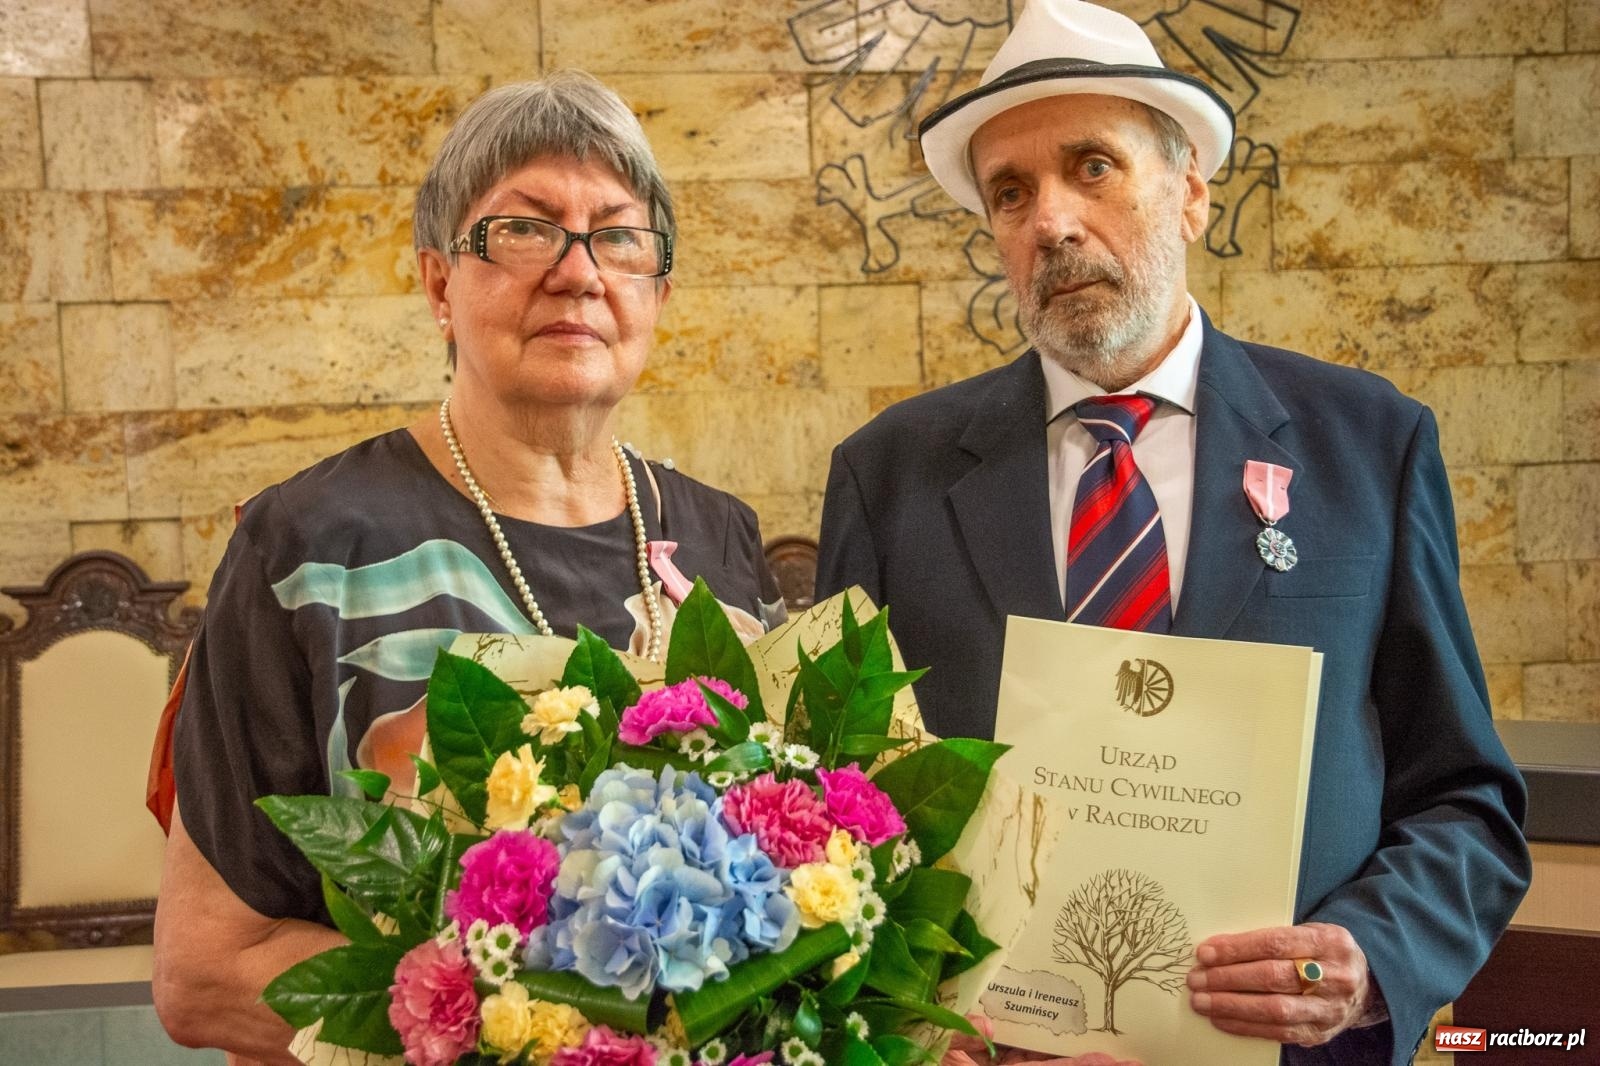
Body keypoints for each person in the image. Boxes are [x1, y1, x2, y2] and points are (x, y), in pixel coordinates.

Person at [816, 2, 1531, 1064]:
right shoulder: (888, 476)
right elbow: (834, 810)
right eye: (1010, 192)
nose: (1051, 222)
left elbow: (1465, 798)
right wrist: (906, 1018)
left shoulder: (1369, 446)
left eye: (1092, 167)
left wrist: (1367, 957)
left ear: (1191, 192)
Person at [152, 72, 785, 1064]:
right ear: (440, 283)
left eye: (618, 236)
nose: (578, 273)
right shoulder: (308, 547)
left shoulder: (720, 538)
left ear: (657, 292)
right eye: (525, 230)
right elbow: (206, 972)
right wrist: (546, 1030)